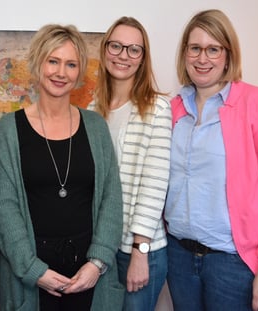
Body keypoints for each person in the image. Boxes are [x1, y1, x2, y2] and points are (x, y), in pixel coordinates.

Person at [164, 9, 258, 311]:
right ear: (185, 53)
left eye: (213, 49)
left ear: (228, 55)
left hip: (235, 264)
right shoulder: (172, 109)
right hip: (180, 258)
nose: (203, 59)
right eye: (195, 48)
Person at [0, 24, 124, 311]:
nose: (61, 72)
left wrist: (98, 263)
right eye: (53, 61)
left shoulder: (96, 127)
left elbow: (111, 199)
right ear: (38, 63)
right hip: (32, 276)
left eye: (71, 64)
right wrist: (32, 270)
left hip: (89, 276)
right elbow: (5, 205)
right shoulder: (9, 129)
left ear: (79, 73)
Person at [88, 16, 171, 311]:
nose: (123, 55)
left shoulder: (157, 109)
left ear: (142, 58)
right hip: (101, 248)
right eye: (116, 46)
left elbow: (155, 184)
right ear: (104, 49)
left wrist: (140, 252)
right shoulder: (91, 111)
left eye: (133, 49)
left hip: (138, 251)